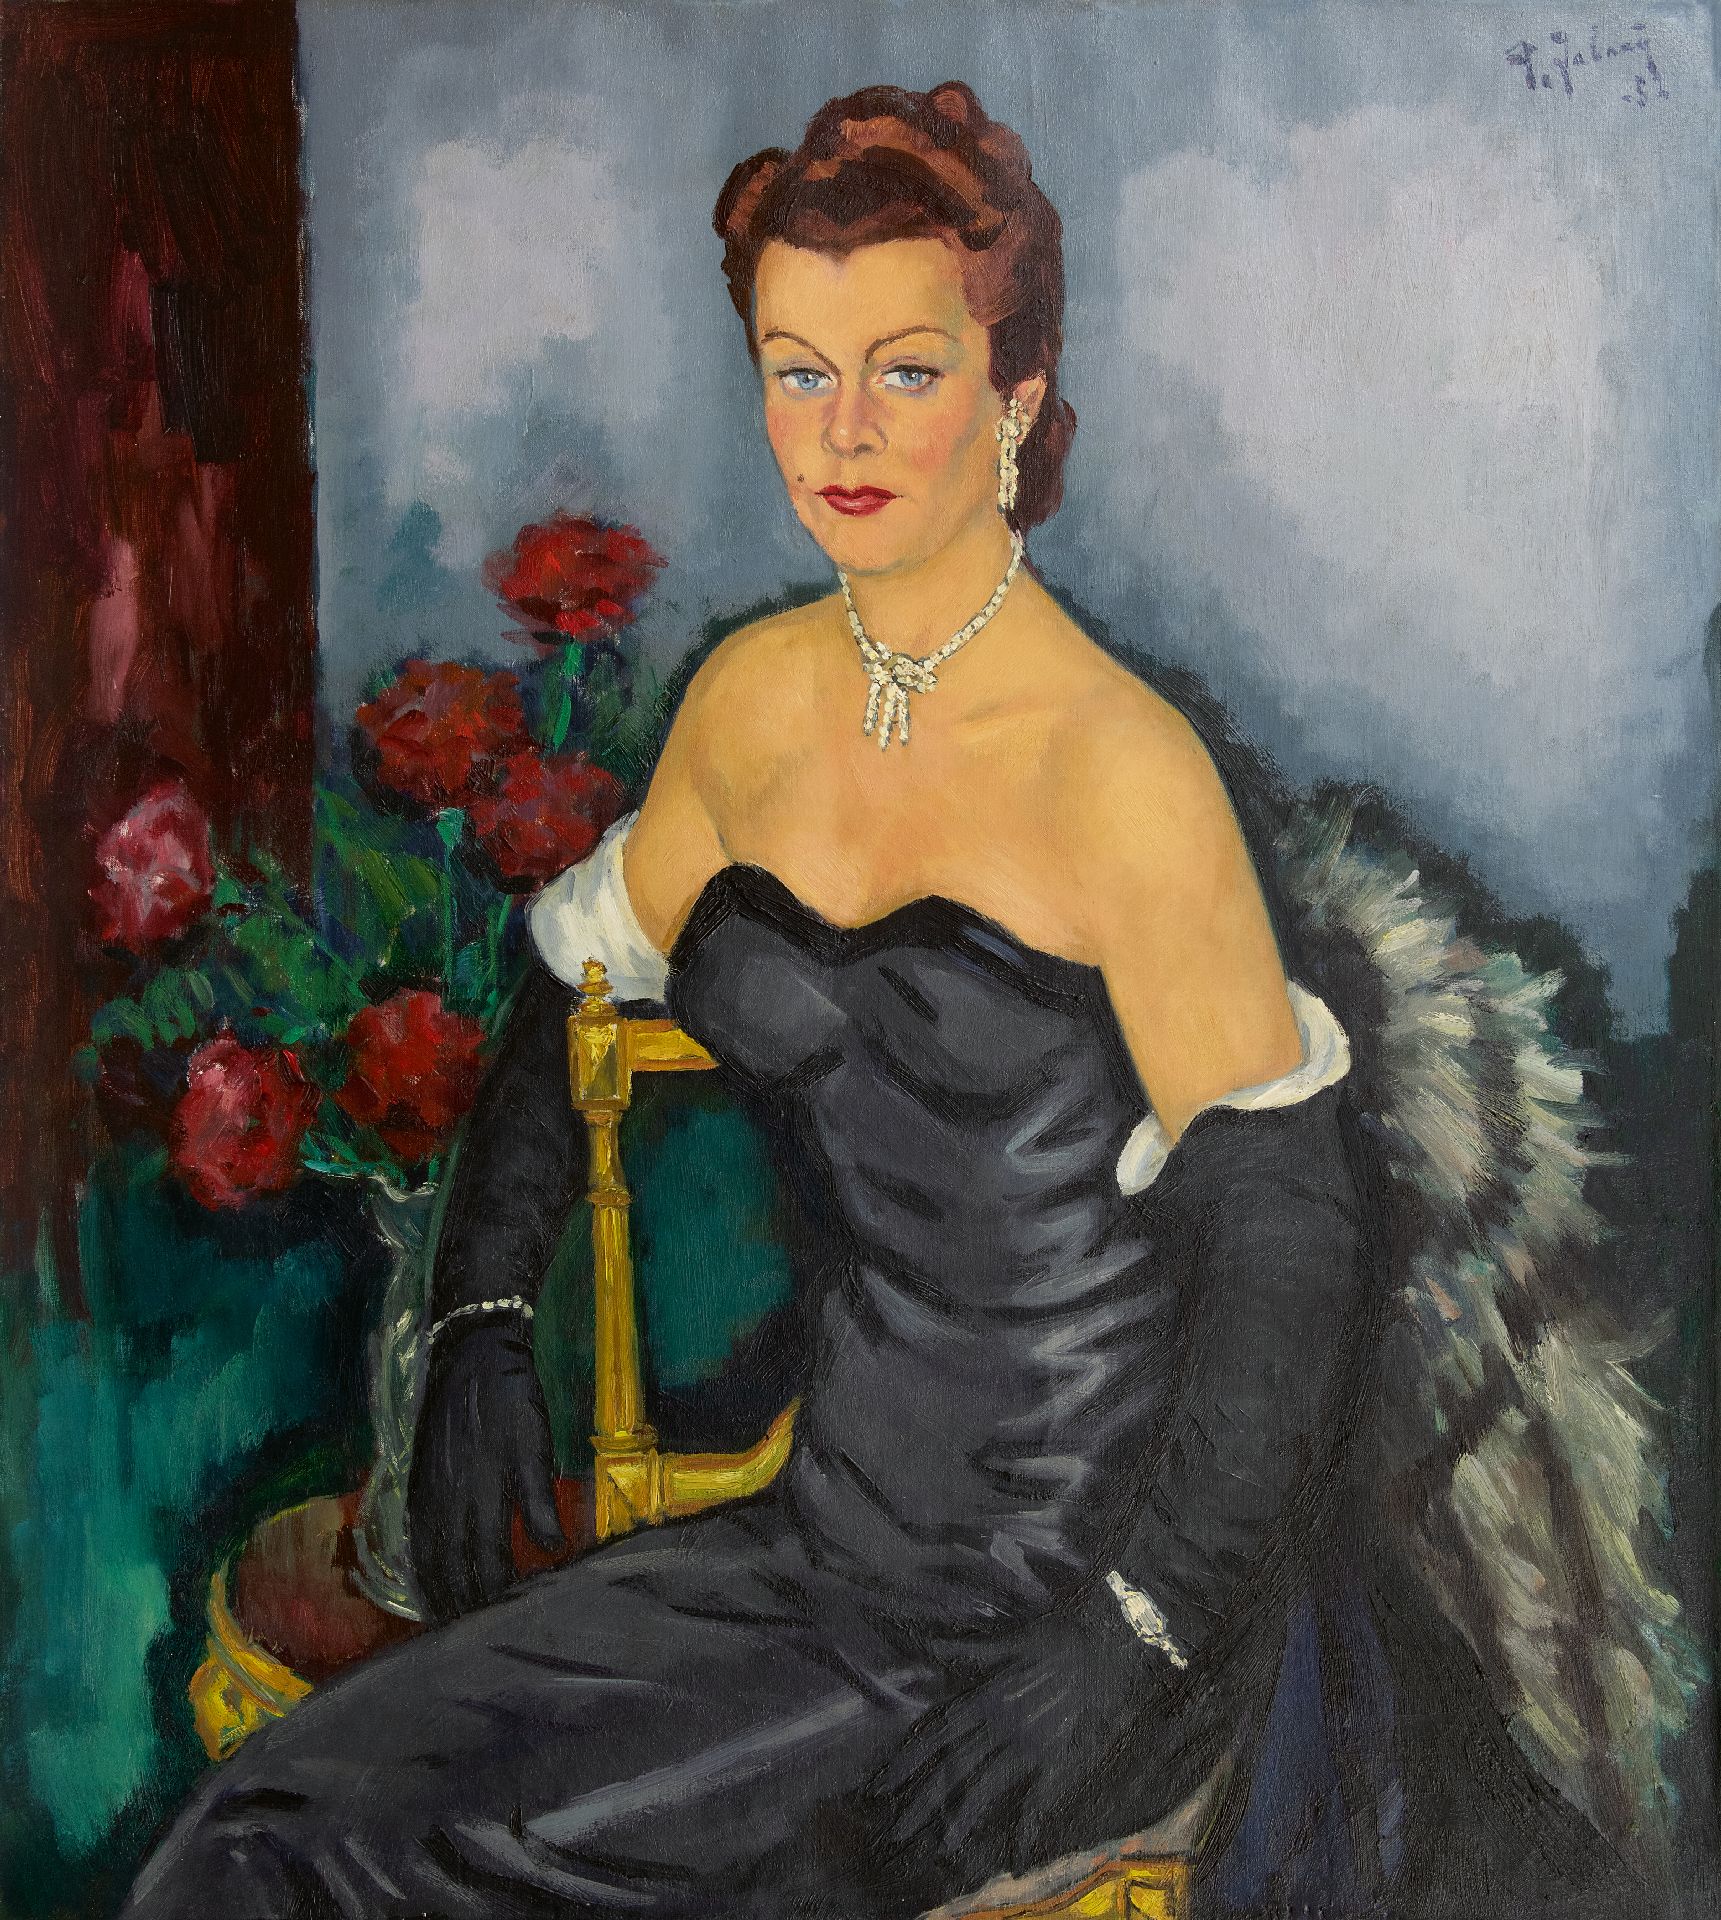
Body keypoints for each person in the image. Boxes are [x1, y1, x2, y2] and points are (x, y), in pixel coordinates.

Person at [119, 82, 1658, 1920]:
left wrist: (1132, 1638)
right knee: (268, 1830)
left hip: (1070, 1624)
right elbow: (563, 999)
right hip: (823, 1557)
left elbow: (1288, 1260)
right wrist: (480, 1317)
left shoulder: (1120, 769)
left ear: (1012, 400)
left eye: (904, 372)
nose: (840, 431)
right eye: (797, 372)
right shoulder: (749, 703)